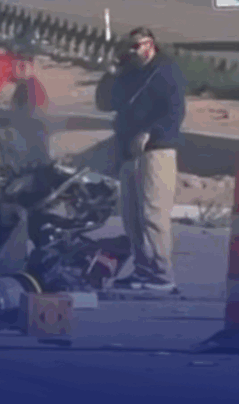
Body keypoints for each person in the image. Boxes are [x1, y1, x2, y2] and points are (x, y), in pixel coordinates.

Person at [95, 27, 186, 292]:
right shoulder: (128, 73)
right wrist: (110, 73)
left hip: (157, 149)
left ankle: (162, 274)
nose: (132, 51)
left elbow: (174, 111)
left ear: (150, 45)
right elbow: (105, 102)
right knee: (132, 215)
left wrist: (151, 132)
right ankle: (143, 269)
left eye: (136, 46)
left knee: (153, 213)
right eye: (128, 47)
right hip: (128, 150)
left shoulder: (167, 71)